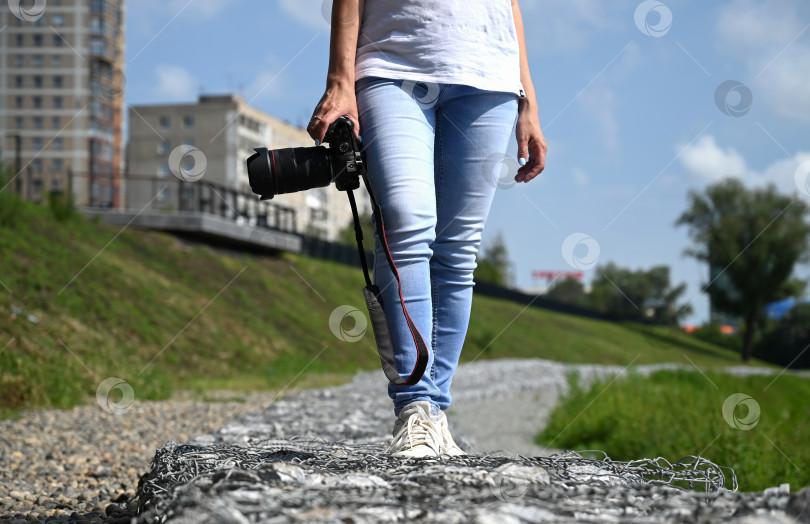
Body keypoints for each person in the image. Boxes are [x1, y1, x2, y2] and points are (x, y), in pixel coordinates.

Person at [307, 0, 547, 458]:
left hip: (488, 73)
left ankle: (435, 412)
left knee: (458, 249)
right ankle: (415, 408)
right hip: (392, 59)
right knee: (402, 219)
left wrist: (528, 102)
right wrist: (340, 80)